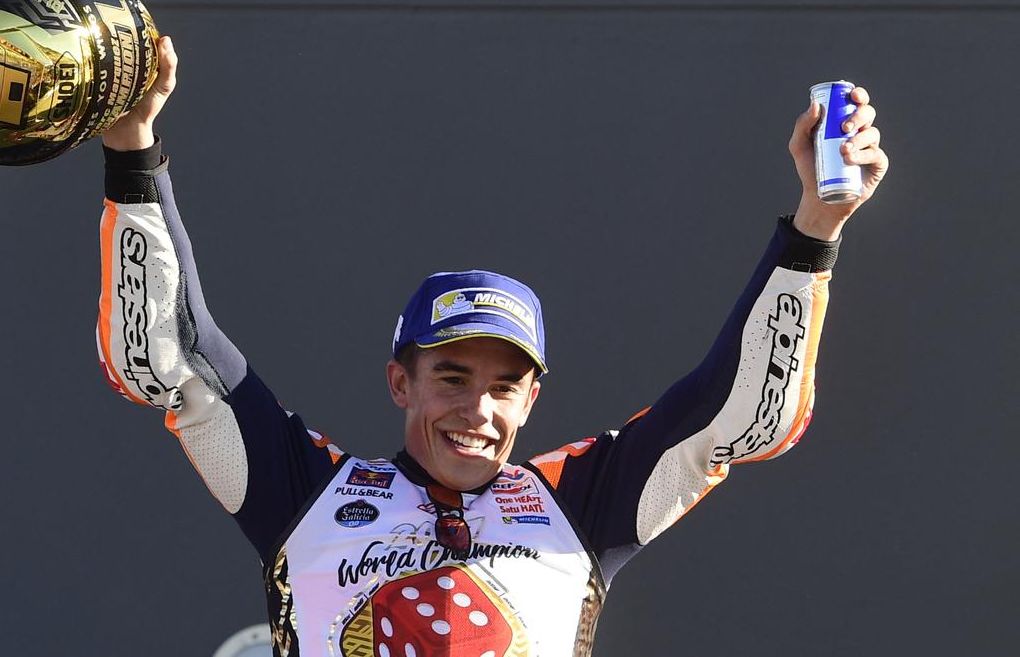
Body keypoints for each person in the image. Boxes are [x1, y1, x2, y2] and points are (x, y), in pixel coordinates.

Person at [96, 36, 889, 656]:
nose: (477, 408)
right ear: (399, 383)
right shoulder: (304, 492)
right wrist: (134, 150)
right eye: (451, 377)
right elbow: (174, 359)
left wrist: (815, 229)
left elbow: (739, 416)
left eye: (504, 384)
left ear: (531, 397)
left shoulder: (578, 504)